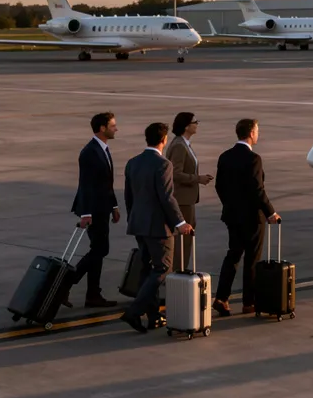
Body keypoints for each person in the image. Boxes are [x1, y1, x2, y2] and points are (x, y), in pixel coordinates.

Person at [119, 122, 192, 334]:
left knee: (145, 269)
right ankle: (134, 312)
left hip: (138, 224)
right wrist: (180, 223)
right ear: (164, 140)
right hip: (158, 227)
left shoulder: (133, 162)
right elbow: (167, 198)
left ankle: (153, 315)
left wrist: (133, 218)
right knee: (162, 268)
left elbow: (128, 196)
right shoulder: (163, 164)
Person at [213, 118, 281, 317]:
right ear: (251, 133)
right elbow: (258, 190)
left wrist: (230, 205)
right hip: (252, 218)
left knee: (233, 255)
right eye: (257, 131)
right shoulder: (254, 159)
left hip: (232, 216)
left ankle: (221, 298)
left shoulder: (224, 157)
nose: (258, 134)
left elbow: (219, 186)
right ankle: (248, 302)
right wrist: (271, 212)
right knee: (252, 260)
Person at [61, 112, 122, 309]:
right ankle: (66, 285)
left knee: (98, 250)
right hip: (93, 211)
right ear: (102, 128)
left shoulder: (102, 149)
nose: (116, 128)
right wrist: (86, 214)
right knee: (100, 249)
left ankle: (93, 295)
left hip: (102, 208)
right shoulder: (89, 152)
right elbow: (86, 184)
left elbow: (106, 183)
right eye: (113, 126)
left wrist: (114, 206)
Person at [166, 112, 211, 272]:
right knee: (183, 241)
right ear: (186, 126)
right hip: (182, 200)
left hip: (187, 199)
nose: (197, 124)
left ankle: (179, 271)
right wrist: (198, 178)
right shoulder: (179, 145)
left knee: (185, 240)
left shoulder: (184, 143)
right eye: (194, 122)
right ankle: (178, 273)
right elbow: (175, 173)